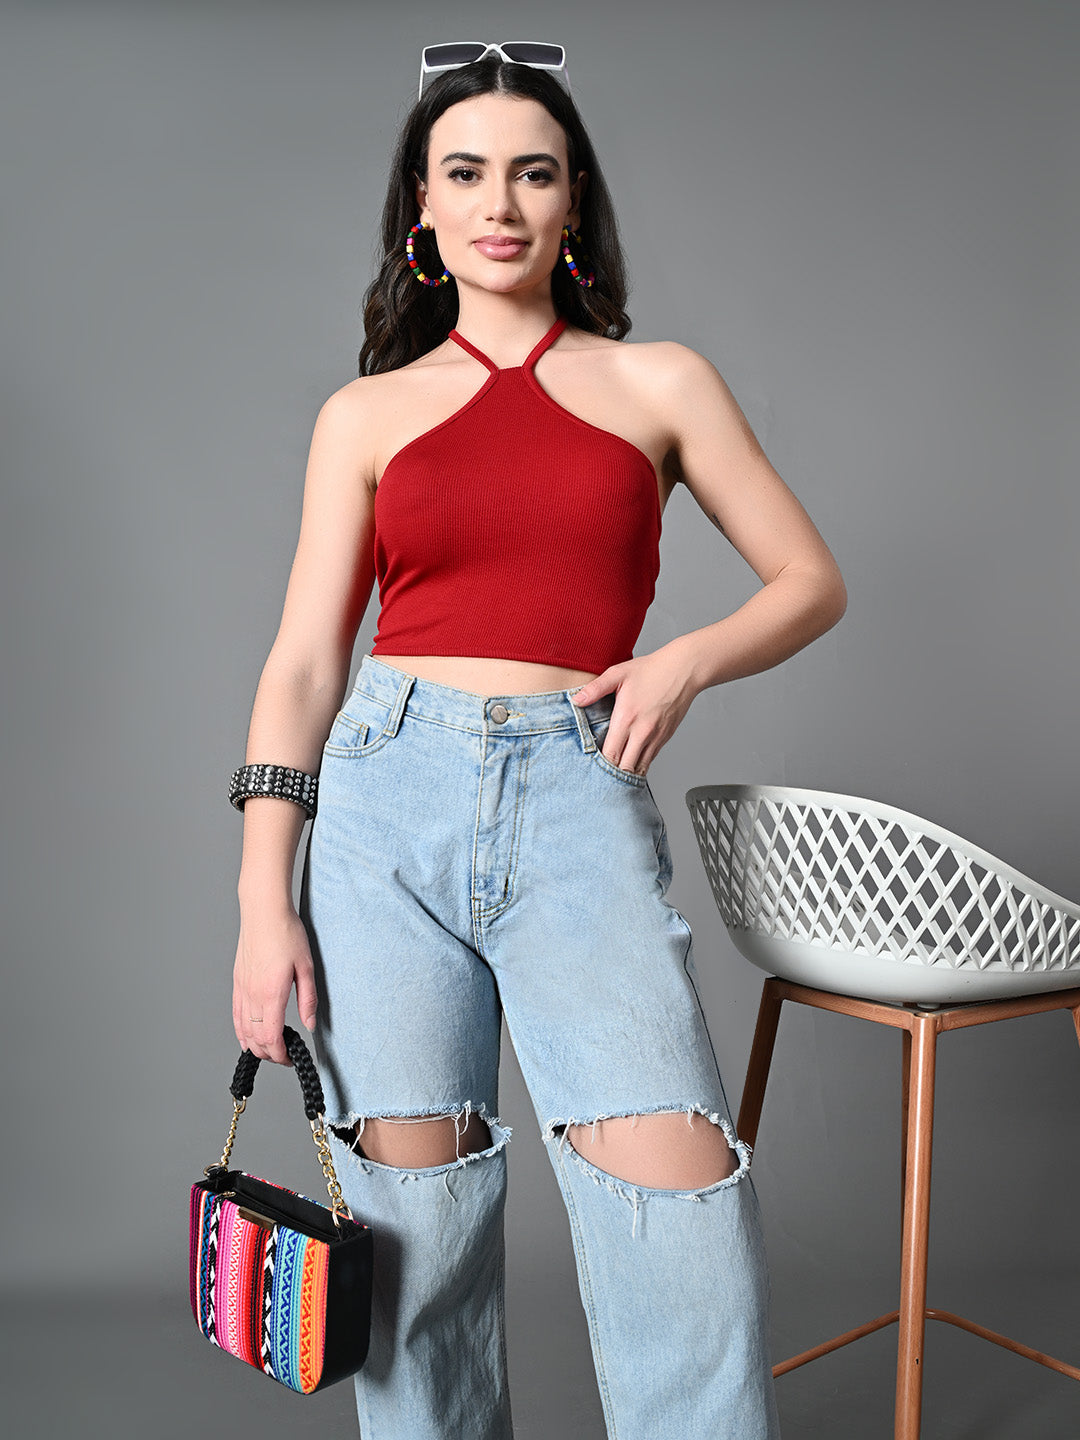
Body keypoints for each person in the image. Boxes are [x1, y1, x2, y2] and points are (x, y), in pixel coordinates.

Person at [229, 42, 845, 1440]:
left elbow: (810, 579)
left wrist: (685, 659)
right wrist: (264, 904)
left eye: (533, 173)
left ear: (574, 202)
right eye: (465, 173)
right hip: (383, 806)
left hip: (578, 791)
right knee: (412, 1223)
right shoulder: (367, 413)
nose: (498, 202)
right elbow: (307, 662)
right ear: (423, 206)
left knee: (676, 1202)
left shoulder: (661, 383)